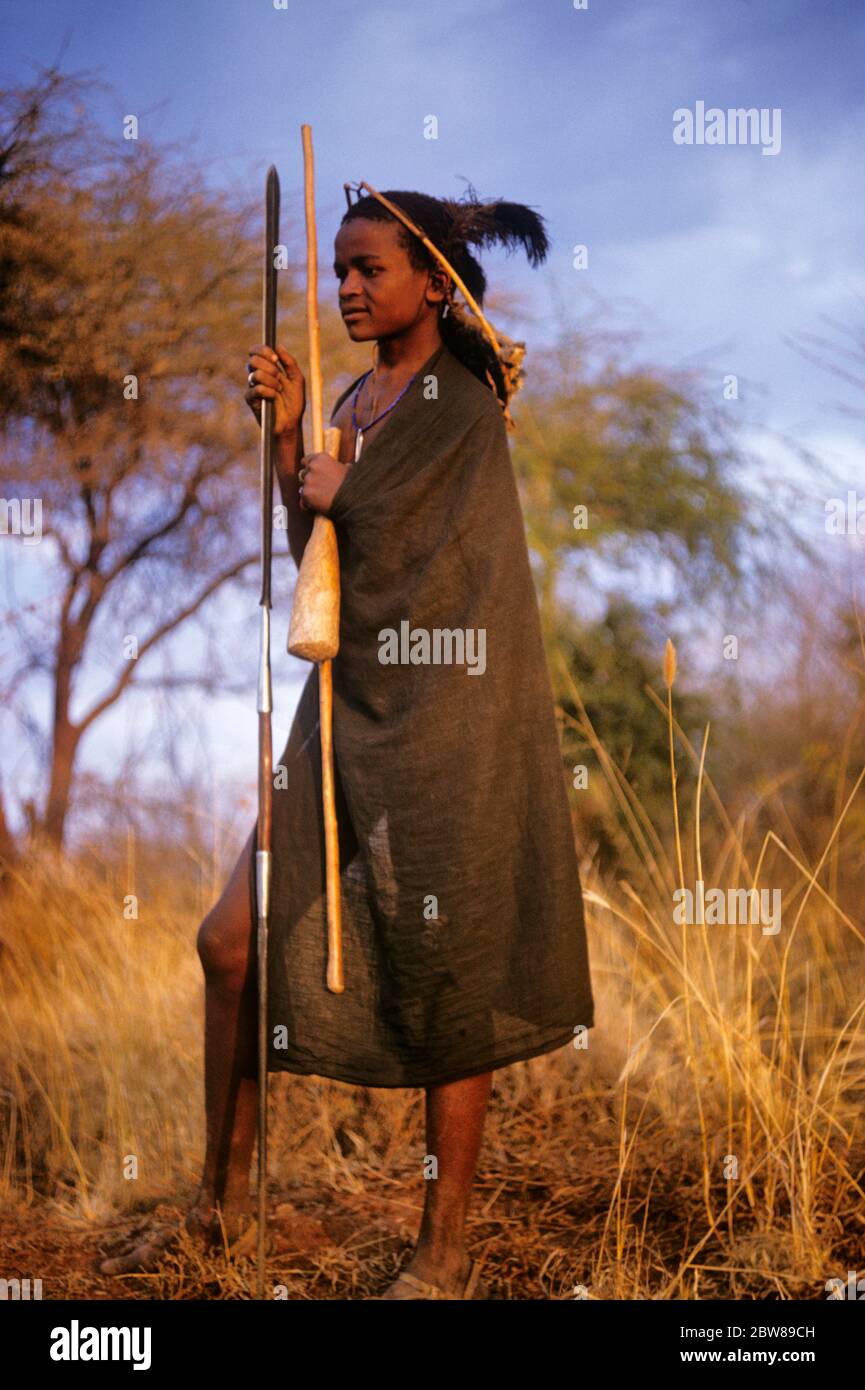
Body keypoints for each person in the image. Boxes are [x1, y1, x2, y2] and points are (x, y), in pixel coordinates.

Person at [100, 186, 594, 1300]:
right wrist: (290, 438)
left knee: (447, 975)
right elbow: (323, 549)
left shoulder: (460, 402)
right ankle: (221, 1210)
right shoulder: (359, 398)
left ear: (433, 281)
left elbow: (426, 556)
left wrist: (344, 490)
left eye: (370, 268)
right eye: (338, 270)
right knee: (229, 940)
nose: (349, 289)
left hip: (446, 724)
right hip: (348, 705)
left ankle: (443, 1252)